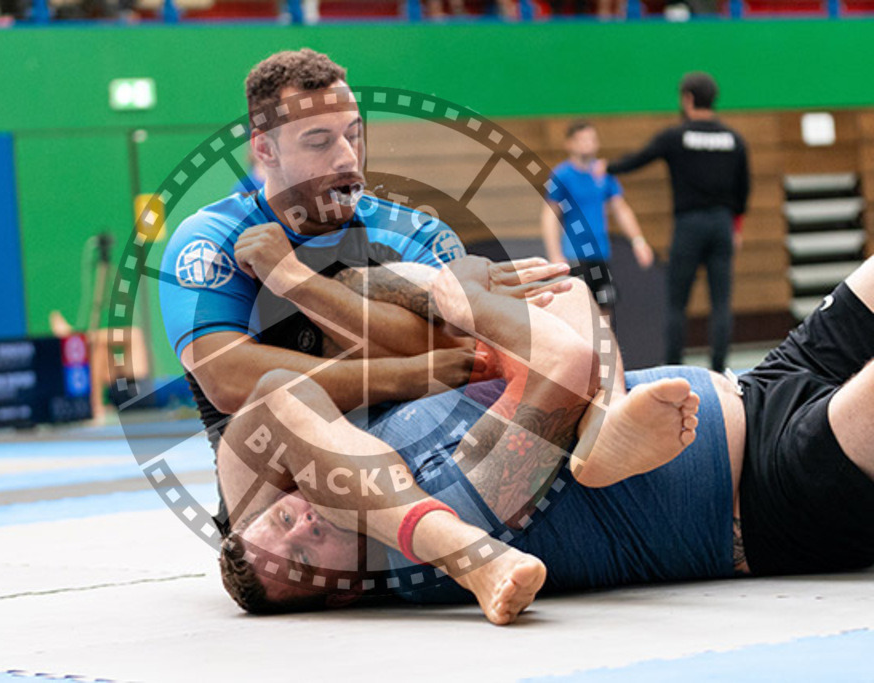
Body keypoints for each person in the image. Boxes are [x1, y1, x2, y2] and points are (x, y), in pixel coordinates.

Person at [217, 252, 874, 615]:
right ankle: (601, 425)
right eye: (304, 557)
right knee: (557, 326)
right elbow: (562, 361)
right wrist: (467, 304)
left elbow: (261, 417)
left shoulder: (371, 448)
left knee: (560, 302)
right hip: (776, 489)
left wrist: (422, 341)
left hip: (764, 382)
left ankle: (604, 420)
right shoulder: (446, 513)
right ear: (343, 588)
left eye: (280, 522)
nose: (301, 525)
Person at [159, 49, 479, 535]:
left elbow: (462, 355)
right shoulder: (213, 238)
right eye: (319, 141)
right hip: (286, 510)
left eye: (354, 134)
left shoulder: (412, 232)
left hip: (420, 463)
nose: (347, 156)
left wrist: (296, 279)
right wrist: (406, 374)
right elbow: (227, 377)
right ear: (265, 150)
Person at [600, 72, 750, 371]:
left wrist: (606, 167)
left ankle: (674, 369)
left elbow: (639, 159)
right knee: (721, 302)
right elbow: (743, 188)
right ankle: (719, 370)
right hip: (722, 225)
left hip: (689, 225)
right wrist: (736, 227)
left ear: (688, 99)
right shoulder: (734, 139)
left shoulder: (676, 136)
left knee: (677, 302)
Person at [542, 120, 653, 313]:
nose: (587, 144)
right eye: (581, 140)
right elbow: (550, 215)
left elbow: (621, 209)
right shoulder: (563, 175)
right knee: (578, 311)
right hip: (574, 255)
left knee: (605, 310)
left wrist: (638, 241)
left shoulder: (603, 174)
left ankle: (604, 344)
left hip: (601, 253)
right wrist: (555, 254)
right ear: (570, 144)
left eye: (591, 139)